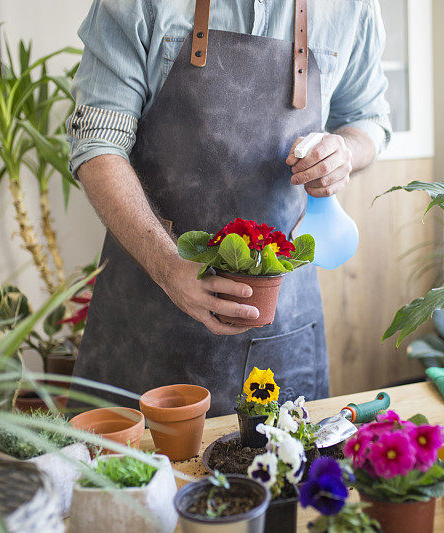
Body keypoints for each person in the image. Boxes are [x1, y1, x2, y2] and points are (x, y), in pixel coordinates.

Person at [68, 0, 391, 416]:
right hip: (147, 314)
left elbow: (369, 119)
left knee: (283, 470)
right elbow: (97, 143)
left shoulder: (351, 8)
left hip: (281, 317)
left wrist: (344, 150)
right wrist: (169, 267)